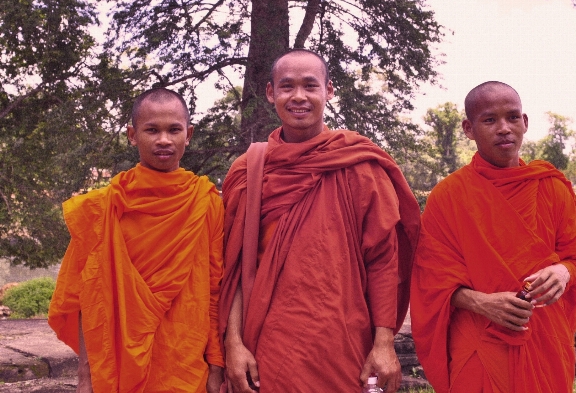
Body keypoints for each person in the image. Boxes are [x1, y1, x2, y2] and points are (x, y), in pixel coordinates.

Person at [217, 48, 421, 393]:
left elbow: (384, 261)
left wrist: (384, 343)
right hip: (267, 345)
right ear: (270, 93)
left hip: (342, 342)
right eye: (287, 87)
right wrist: (234, 345)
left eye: (310, 86)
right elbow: (234, 270)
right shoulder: (248, 172)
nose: (299, 97)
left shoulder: (359, 165)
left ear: (328, 91)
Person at [410, 81, 576, 393]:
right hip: (480, 339)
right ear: (469, 128)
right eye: (489, 120)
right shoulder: (449, 196)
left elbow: (575, 257)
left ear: (525, 122)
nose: (504, 128)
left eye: (512, 117)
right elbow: (431, 278)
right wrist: (482, 302)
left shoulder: (552, 187)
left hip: (544, 337)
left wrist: (564, 271)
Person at [48, 88, 225, 393]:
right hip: (117, 366)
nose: (164, 140)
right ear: (132, 135)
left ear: (189, 134)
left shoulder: (205, 202)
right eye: (151, 130)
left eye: (174, 130)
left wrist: (217, 365)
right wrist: (85, 375)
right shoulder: (104, 208)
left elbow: (215, 288)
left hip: (184, 363)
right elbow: (84, 297)